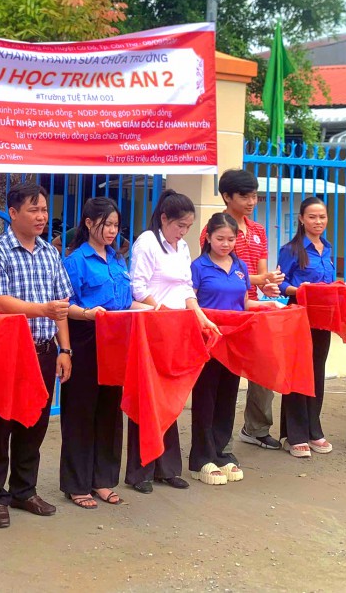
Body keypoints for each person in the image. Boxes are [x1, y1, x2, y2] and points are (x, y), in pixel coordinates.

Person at [0, 182, 73, 529]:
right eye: (33, 210)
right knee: (0, 424)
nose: (41, 216)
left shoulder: (50, 252)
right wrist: (42, 309)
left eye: (44, 210)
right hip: (7, 351)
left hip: (45, 350)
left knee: (35, 422)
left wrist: (65, 349)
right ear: (13, 213)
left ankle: (24, 490)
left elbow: (61, 306)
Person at [126, 189, 219, 494]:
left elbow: (186, 288)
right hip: (152, 327)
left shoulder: (182, 247)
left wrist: (201, 317)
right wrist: (161, 311)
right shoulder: (147, 242)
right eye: (180, 225)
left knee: (171, 397)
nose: (183, 232)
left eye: (188, 227)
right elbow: (138, 287)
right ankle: (141, 471)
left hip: (177, 328)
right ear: (164, 219)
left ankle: (167, 468)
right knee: (148, 396)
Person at [59, 197, 136, 510]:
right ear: (89, 223)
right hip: (86, 336)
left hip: (115, 338)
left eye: (116, 225)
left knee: (109, 410)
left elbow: (126, 300)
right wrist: (88, 314)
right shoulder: (76, 260)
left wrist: (153, 308)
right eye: (107, 224)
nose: (112, 231)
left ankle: (103, 479)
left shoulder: (118, 259)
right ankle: (76, 484)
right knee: (81, 411)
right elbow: (64, 305)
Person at [203, 169, 284, 451]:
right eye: (245, 196)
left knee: (263, 367)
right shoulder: (215, 229)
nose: (251, 202)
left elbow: (260, 273)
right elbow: (214, 272)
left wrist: (268, 286)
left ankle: (256, 428)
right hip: (223, 310)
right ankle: (213, 442)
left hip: (251, 307)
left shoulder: (258, 230)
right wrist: (261, 280)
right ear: (227, 197)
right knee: (223, 376)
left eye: (254, 196)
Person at [188, 213, 252, 486]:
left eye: (231, 239)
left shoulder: (240, 266)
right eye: (220, 238)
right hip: (207, 342)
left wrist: (270, 307)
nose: (226, 244)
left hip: (233, 342)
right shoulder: (198, 267)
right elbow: (190, 304)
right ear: (208, 238)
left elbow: (245, 304)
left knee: (228, 396)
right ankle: (201, 458)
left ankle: (221, 451)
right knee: (206, 398)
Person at [276, 197, 337, 458]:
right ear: (301, 219)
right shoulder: (291, 249)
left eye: (322, 216)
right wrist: (299, 290)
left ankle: (314, 429)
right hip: (298, 314)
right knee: (298, 372)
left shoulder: (328, 248)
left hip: (322, 318)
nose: (318, 221)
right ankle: (294, 434)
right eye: (312, 217)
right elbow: (279, 283)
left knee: (316, 372)